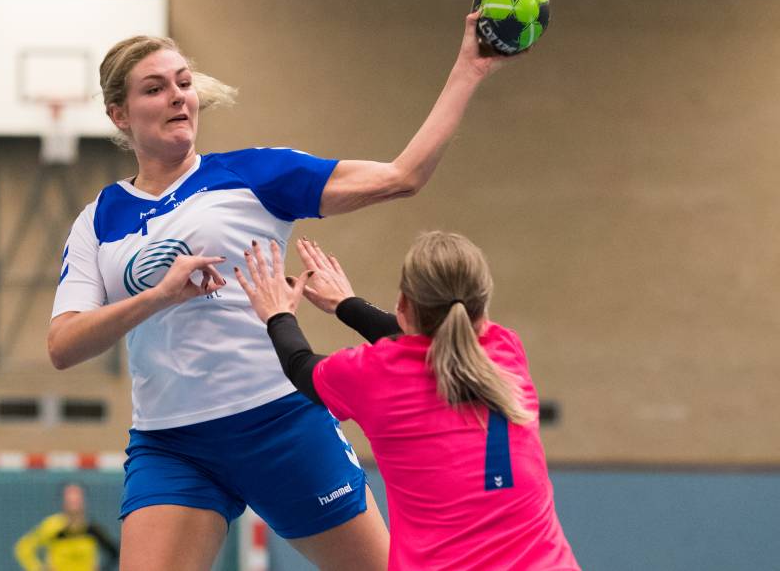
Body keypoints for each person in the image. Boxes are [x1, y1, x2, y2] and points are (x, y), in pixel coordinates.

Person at [48, 11, 514, 570]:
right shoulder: (99, 219)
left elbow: (402, 177)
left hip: (280, 424)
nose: (177, 97)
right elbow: (63, 346)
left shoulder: (257, 175)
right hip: (172, 445)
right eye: (155, 88)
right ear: (119, 114)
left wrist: (468, 69)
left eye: (184, 83)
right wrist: (159, 296)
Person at [234, 234, 581, 570]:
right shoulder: (506, 349)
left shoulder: (374, 374)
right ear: (482, 309)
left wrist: (278, 314)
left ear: (402, 305)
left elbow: (300, 367)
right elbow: (438, 337)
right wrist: (347, 306)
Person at [14, 482, 119, 571]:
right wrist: (39, 568)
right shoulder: (52, 527)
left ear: (84, 500)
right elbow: (24, 548)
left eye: (77, 497)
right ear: (63, 501)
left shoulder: (93, 529)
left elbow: (114, 553)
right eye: (70, 497)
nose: (73, 500)